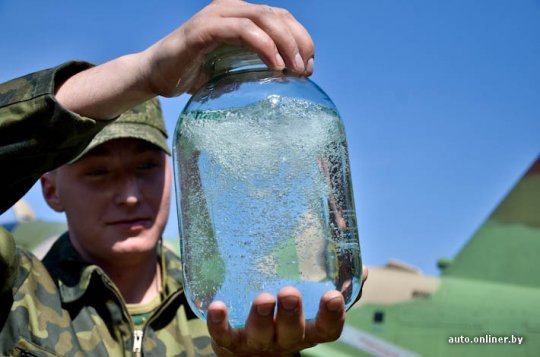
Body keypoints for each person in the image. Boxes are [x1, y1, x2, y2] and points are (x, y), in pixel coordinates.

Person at [0, 0, 367, 355]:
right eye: (97, 172)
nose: (130, 196)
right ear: (50, 188)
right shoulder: (16, 296)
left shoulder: (227, 308)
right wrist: (143, 72)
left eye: (146, 167)